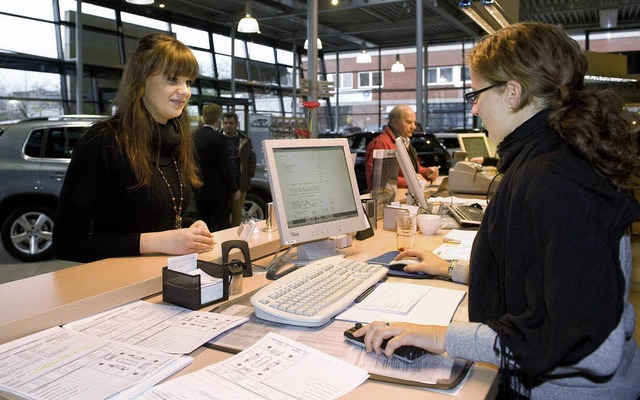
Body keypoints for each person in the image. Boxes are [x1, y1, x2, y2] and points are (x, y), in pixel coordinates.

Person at [355, 22, 640, 399]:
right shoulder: (550, 157)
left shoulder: (559, 178)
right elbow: (542, 272)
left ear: (512, 92)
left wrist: (441, 337)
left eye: (476, 94)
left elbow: (588, 345)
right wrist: (452, 269)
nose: (474, 108)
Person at [53, 33, 215, 263]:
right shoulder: (103, 141)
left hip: (167, 276)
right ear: (141, 81)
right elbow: (66, 243)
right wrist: (157, 242)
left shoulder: (177, 140)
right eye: (172, 79)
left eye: (188, 82)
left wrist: (190, 228)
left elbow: (159, 218)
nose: (185, 91)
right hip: (120, 285)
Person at [364, 105, 439, 192]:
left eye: (414, 122)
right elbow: (377, 179)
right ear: (394, 122)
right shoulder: (381, 144)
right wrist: (411, 181)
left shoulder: (404, 142)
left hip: (404, 197)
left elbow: (414, 169)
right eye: (409, 122)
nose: (414, 127)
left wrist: (426, 172)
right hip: (389, 201)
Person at [193, 103, 240, 232]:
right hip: (218, 191)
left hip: (199, 190)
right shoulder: (219, 138)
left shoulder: (194, 137)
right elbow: (225, 166)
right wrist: (234, 188)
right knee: (219, 226)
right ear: (218, 119)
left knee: (201, 223)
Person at [222, 111, 257, 227]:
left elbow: (252, 157)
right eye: (225, 123)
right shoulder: (217, 138)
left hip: (240, 181)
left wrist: (249, 174)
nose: (228, 125)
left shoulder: (245, 139)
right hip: (222, 182)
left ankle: (234, 236)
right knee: (223, 213)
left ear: (237, 124)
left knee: (237, 213)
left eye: (231, 123)